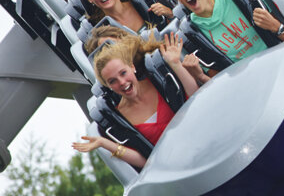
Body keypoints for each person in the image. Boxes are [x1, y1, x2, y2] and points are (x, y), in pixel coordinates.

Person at [72, 32, 199, 168]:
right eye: (113, 81)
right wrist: (105, 143)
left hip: (198, 137)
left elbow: (196, 99)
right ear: (108, 86)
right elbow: (146, 162)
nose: (122, 82)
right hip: (176, 165)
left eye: (123, 73)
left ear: (132, 67)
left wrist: (176, 64)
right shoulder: (119, 117)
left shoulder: (157, 80)